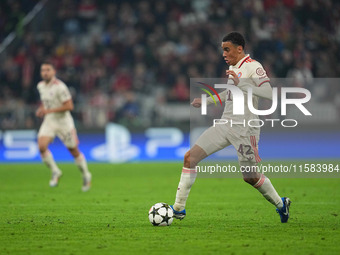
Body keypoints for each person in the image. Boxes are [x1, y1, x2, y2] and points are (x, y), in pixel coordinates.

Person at [170, 32, 291, 223]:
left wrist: (241, 83)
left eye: (227, 49)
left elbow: (268, 93)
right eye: (222, 50)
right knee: (189, 158)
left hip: (245, 130)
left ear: (239, 48)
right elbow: (230, 93)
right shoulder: (234, 68)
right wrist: (207, 101)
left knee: (250, 178)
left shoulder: (253, 66)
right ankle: (178, 208)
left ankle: (281, 204)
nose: (224, 54)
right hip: (225, 124)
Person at [35, 61, 92, 192]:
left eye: (48, 70)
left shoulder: (60, 87)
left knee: (73, 150)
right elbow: (46, 103)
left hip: (64, 122)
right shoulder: (41, 86)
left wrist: (47, 111)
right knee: (41, 146)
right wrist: (42, 109)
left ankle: (86, 174)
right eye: (43, 70)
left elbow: (69, 106)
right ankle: (55, 171)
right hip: (49, 121)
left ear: (54, 71)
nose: (45, 72)